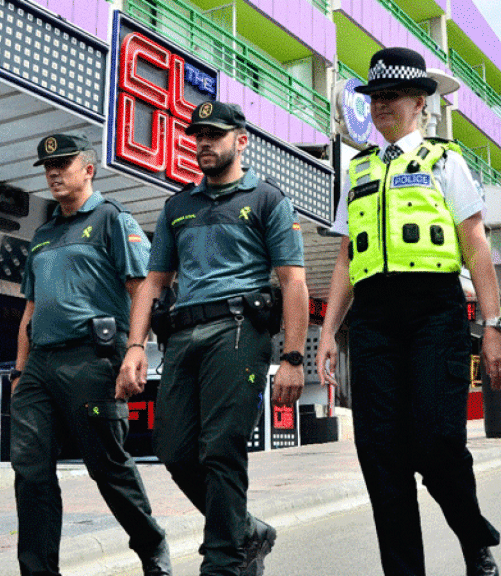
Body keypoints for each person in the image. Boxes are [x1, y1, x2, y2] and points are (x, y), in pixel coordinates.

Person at [316, 47, 501, 576]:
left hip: (433, 312)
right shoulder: (357, 169)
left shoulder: (446, 160)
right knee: (381, 457)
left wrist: (492, 328)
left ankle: (473, 537)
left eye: (392, 96)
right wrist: (327, 332)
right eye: (375, 97)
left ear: (421, 102)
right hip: (374, 318)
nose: (381, 106)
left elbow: (476, 246)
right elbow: (345, 256)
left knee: (437, 440)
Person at [118, 100, 309, 576]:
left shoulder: (267, 200)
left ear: (241, 141)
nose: (203, 142)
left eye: (215, 135)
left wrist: (292, 356)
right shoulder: (177, 207)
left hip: (239, 330)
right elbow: (153, 284)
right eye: (198, 135)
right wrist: (135, 348)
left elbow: (293, 281)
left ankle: (223, 562)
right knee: (174, 451)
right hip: (183, 337)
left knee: (221, 448)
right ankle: (246, 530)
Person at [10, 133, 171, 576]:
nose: (54, 172)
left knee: (107, 467)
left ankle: (151, 543)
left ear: (88, 169)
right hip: (40, 366)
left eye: (64, 163)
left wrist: (135, 351)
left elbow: (142, 290)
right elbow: (31, 308)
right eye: (48, 167)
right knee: (30, 471)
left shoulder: (110, 220)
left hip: (93, 358)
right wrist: (20, 371)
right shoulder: (42, 236)